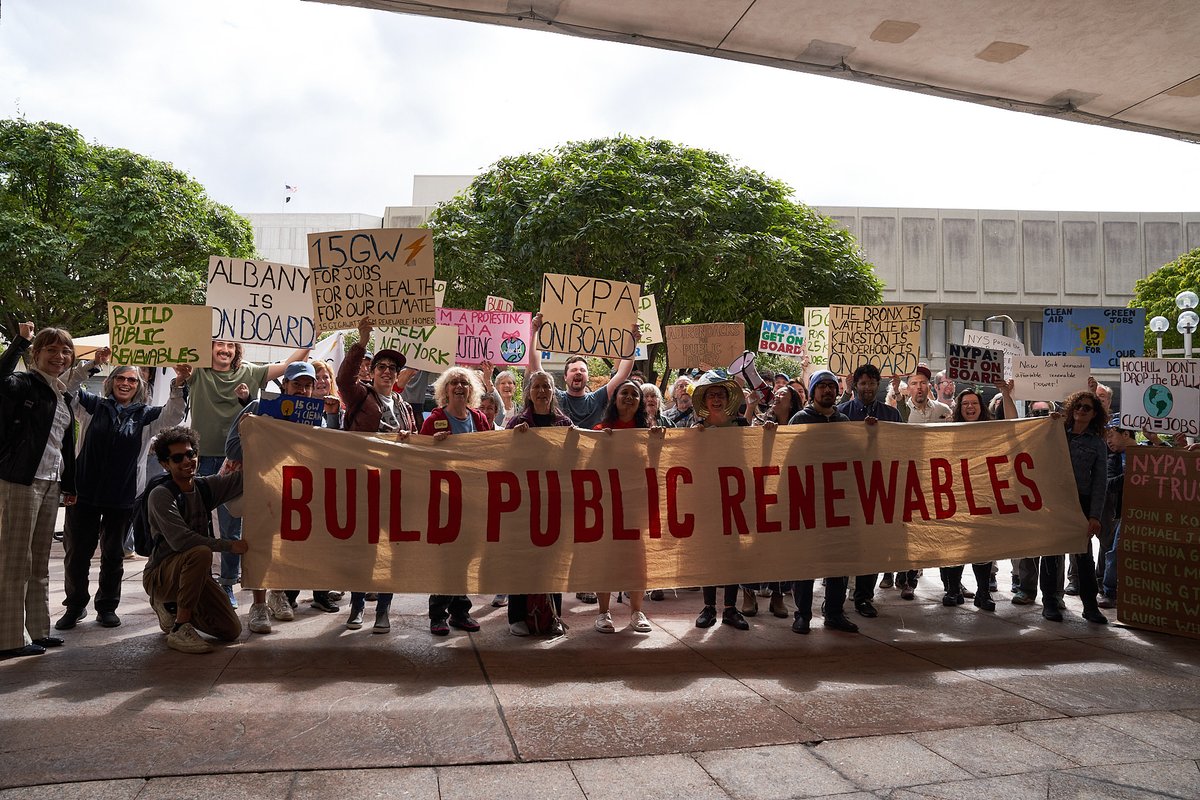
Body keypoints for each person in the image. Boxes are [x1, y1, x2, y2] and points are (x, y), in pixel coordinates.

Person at [55, 351, 187, 631]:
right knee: (77, 552)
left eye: (131, 380)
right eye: (120, 378)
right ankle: (75, 606)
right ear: (111, 381)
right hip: (84, 492)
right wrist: (93, 364)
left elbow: (174, 415)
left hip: (123, 495)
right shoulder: (92, 405)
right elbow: (64, 386)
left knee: (114, 554)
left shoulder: (146, 416)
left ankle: (107, 607)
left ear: (139, 386)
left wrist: (178, 384)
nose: (125, 383)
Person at [181, 339, 310, 608]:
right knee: (200, 525)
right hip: (206, 460)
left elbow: (289, 365)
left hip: (244, 463)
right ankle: (199, 583)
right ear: (208, 348)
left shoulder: (251, 372)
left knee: (237, 528)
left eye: (231, 345)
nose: (225, 349)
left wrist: (311, 335)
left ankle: (231, 583)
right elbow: (175, 355)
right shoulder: (198, 372)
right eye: (219, 344)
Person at [226, 362, 341, 632]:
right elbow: (231, 449)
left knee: (285, 545)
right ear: (285, 385)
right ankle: (258, 605)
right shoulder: (257, 407)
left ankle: (277, 594)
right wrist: (249, 431)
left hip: (295, 492)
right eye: (296, 384)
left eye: (307, 385)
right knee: (258, 544)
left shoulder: (316, 416)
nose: (302, 390)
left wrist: (333, 417)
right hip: (260, 489)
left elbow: (332, 449)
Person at [0, 324, 78, 659]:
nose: (59, 356)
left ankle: (39, 631)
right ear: (37, 353)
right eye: (51, 349)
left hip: (50, 482)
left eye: (65, 351)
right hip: (20, 480)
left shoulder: (61, 393)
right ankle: (8, 639)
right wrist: (20, 341)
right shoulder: (22, 382)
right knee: (15, 561)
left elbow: (62, 444)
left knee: (40, 561)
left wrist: (69, 485)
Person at [337, 323, 418, 632]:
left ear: (397, 376)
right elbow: (343, 379)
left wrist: (416, 440)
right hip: (364, 484)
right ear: (371, 372)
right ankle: (357, 606)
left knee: (391, 549)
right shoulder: (360, 396)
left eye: (392, 368)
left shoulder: (404, 407)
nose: (387, 371)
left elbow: (416, 444)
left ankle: (383, 609)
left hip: (395, 487)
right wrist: (362, 341)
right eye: (381, 366)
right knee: (364, 547)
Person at [141, 426, 247, 654]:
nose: (187, 461)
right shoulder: (161, 495)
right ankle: (180, 625)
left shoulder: (204, 487)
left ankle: (173, 608)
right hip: (161, 576)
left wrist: (256, 432)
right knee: (200, 551)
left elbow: (244, 479)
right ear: (165, 464)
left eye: (191, 454)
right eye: (178, 458)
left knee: (231, 630)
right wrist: (229, 546)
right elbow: (182, 541)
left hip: (195, 574)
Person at [786, 370, 859, 634]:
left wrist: (871, 433)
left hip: (837, 501)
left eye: (831, 386)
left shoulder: (844, 421)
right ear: (813, 391)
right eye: (822, 386)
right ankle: (802, 614)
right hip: (808, 500)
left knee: (838, 559)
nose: (827, 390)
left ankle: (834, 612)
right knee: (805, 560)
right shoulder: (800, 419)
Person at [1029, 391, 1109, 625]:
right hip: (1054, 500)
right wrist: (1048, 424)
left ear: (1094, 414)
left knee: (1084, 556)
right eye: (1078, 406)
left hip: (1081, 503)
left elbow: (1100, 482)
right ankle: (1050, 603)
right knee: (1051, 554)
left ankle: (1090, 606)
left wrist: (1094, 515)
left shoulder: (1097, 443)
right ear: (1072, 408)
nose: (1081, 410)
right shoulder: (1056, 433)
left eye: (1087, 408)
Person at [504, 370, 573, 636]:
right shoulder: (517, 422)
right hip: (524, 501)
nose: (542, 391)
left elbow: (574, 457)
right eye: (537, 387)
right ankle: (517, 617)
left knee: (553, 559)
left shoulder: (564, 422)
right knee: (522, 558)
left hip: (553, 500)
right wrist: (515, 439)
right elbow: (504, 459)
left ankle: (553, 616)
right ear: (528, 392)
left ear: (553, 392)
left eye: (547, 386)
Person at [419, 367, 487, 636]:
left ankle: (460, 612)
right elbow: (418, 454)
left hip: (473, 500)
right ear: (445, 390)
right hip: (444, 501)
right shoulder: (435, 420)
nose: (459, 386)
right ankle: (438, 615)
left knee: (466, 557)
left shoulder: (479, 419)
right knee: (446, 557)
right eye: (454, 382)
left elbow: (494, 448)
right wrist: (432, 445)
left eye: (464, 383)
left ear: (471, 390)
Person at [936, 386, 1013, 612]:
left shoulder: (991, 429)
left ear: (981, 407)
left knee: (983, 545)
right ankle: (953, 590)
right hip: (957, 494)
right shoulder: (948, 430)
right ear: (959, 408)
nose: (970, 407)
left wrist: (1006, 393)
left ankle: (983, 593)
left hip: (983, 494)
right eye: (965, 404)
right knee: (955, 543)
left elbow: (1012, 424)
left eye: (974, 403)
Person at [836, 364, 902, 618]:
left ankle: (864, 597)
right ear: (856, 385)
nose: (867, 388)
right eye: (862, 383)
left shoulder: (891, 414)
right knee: (843, 545)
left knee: (871, 544)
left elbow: (900, 447)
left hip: (878, 489)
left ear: (878, 385)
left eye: (872, 383)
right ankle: (836, 598)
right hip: (846, 489)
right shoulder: (841, 413)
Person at [690, 370, 752, 631]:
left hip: (736, 499)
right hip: (708, 500)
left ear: (727, 399)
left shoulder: (742, 426)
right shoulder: (696, 430)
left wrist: (769, 431)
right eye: (711, 395)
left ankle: (730, 608)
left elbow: (755, 451)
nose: (716, 399)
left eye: (720, 395)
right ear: (705, 400)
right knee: (709, 554)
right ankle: (709, 608)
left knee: (732, 554)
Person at [591, 380, 654, 634]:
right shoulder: (600, 430)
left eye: (634, 394)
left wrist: (659, 441)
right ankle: (603, 613)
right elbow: (590, 465)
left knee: (637, 559)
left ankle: (637, 612)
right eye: (624, 393)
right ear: (614, 398)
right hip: (607, 503)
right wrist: (601, 443)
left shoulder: (649, 432)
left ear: (640, 402)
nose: (629, 397)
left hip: (636, 504)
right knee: (605, 556)